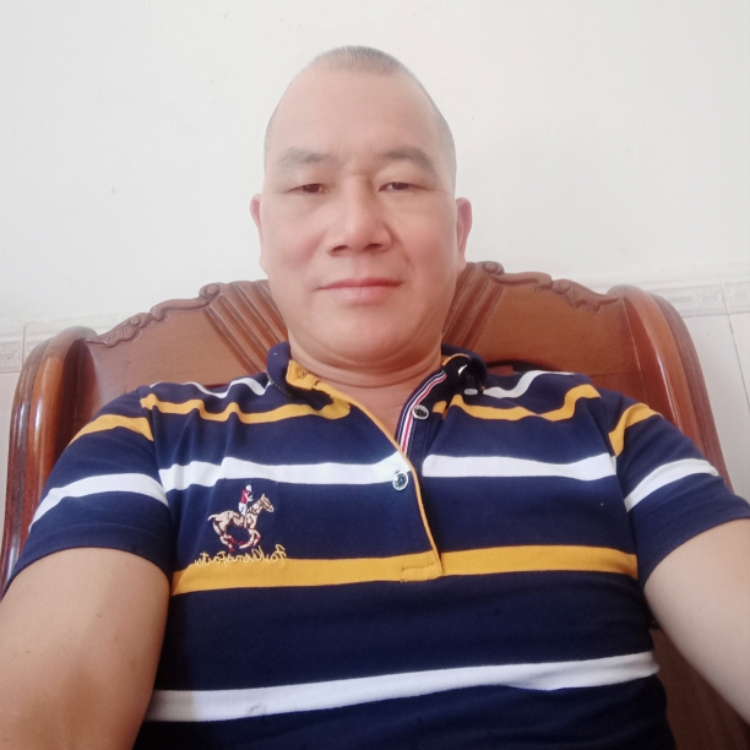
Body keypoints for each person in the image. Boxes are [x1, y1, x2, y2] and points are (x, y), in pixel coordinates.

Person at [0, 46, 749, 750]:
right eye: (310, 188)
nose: (357, 228)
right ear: (263, 230)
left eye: (399, 184)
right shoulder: (145, 443)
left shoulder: (609, 433)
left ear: (458, 230)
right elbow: (47, 711)